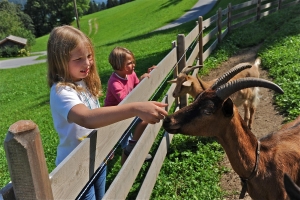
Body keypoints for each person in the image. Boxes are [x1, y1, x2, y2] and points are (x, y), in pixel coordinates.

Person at [47, 25, 167, 200]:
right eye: (79, 58)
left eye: (89, 56)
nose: (87, 63)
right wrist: (136, 108)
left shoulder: (84, 83)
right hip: (76, 170)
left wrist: (106, 144)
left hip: (97, 159)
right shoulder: (61, 92)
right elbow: (86, 118)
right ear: (59, 61)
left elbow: (97, 116)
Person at [104, 46, 156, 165]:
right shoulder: (115, 82)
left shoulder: (131, 74)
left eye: (133, 62)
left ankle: (136, 150)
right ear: (118, 65)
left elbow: (138, 88)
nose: (133, 65)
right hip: (116, 116)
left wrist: (145, 77)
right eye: (129, 63)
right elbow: (125, 100)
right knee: (126, 143)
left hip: (129, 111)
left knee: (143, 124)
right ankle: (126, 168)